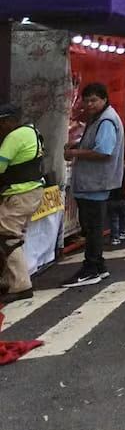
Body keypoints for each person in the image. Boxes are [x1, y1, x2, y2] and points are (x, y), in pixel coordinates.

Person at [63, 83, 125, 287]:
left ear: (104, 99)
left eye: (94, 100)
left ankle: (91, 268)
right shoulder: (100, 118)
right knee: (93, 227)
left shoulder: (106, 120)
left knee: (93, 228)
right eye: (86, 100)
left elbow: (103, 151)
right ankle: (98, 265)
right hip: (93, 183)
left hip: (95, 184)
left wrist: (75, 153)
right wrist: (78, 146)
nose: (89, 104)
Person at [0, 104, 46, 303]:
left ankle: (21, 285)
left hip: (20, 194)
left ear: (11, 120)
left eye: (2, 122)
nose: (1, 126)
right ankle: (9, 280)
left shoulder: (14, 137)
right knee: (12, 236)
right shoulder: (31, 131)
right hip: (31, 192)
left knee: (8, 237)